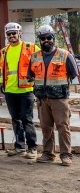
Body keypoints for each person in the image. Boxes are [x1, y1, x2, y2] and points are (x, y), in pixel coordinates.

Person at [28, 25, 78, 167]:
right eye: (43, 38)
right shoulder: (34, 57)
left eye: (49, 38)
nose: (46, 41)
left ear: (54, 39)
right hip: (42, 100)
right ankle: (48, 154)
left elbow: (74, 75)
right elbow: (30, 75)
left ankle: (65, 155)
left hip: (59, 100)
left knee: (63, 126)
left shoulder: (65, 55)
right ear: (40, 40)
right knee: (46, 127)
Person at [0, 22, 39, 159]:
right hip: (10, 91)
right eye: (9, 34)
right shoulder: (4, 51)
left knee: (27, 119)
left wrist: (37, 85)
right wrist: (1, 83)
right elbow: (3, 70)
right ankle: (19, 146)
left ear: (19, 33)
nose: (11, 36)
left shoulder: (31, 47)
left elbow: (39, 66)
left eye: (14, 33)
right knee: (16, 120)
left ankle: (32, 148)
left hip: (26, 90)